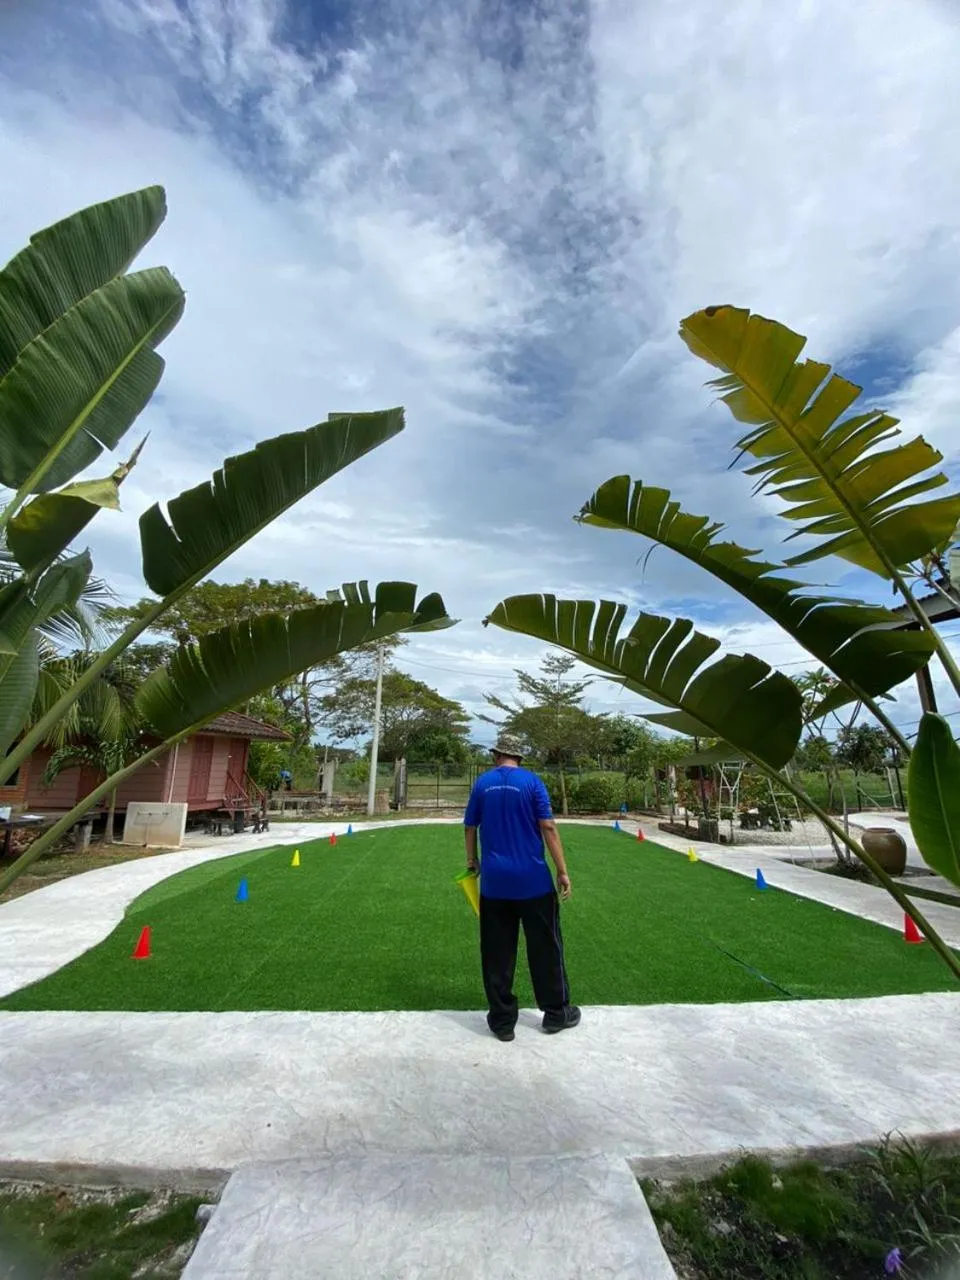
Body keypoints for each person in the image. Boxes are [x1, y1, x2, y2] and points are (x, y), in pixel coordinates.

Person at [463, 732, 580, 1042]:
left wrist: (472, 860)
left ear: (496, 755)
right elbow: (548, 826)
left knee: (496, 952)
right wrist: (562, 871)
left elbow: (470, 827)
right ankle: (556, 1013)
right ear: (519, 757)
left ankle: (502, 1021)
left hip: (494, 886)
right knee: (546, 947)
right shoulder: (532, 782)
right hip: (534, 883)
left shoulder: (482, 784)